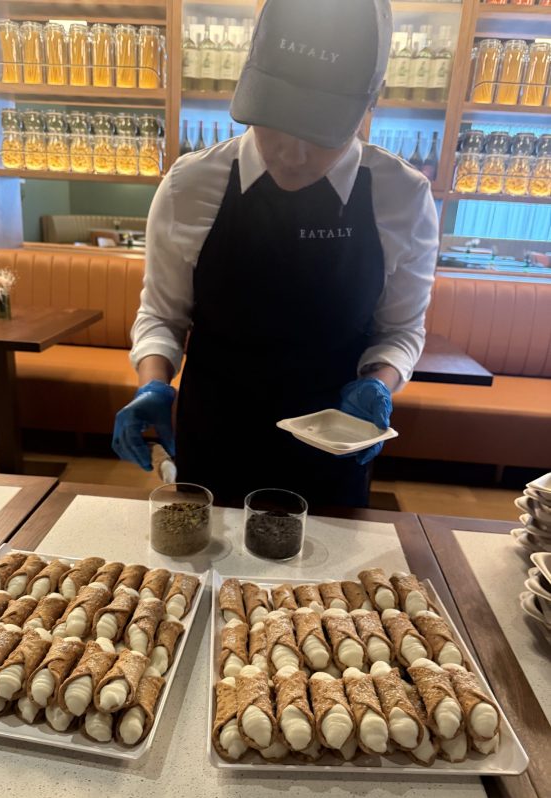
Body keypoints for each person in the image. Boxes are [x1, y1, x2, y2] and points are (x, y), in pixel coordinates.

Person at [112, 0, 439, 510]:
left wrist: (380, 384)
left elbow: (401, 329)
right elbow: (162, 314)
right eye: (273, 122)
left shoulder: (402, 196)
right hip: (214, 430)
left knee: (329, 587)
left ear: (365, 108)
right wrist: (153, 383)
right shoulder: (191, 184)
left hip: (335, 438)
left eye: (318, 135)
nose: (291, 152)